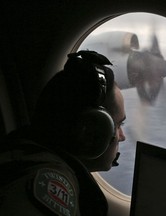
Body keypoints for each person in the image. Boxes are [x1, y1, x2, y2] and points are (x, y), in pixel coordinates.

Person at [0, 50, 126, 216]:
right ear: (90, 132)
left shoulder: (29, 154)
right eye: (118, 124)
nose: (122, 136)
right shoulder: (50, 181)